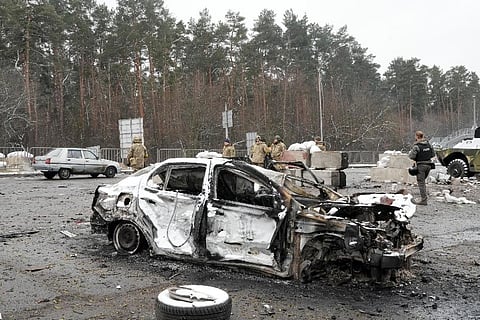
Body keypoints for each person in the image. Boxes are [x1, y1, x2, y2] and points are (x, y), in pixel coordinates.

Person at [408, 130, 435, 205]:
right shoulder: (429, 145)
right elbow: (433, 154)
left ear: (417, 137)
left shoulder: (417, 146)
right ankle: (424, 198)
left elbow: (411, 156)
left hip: (421, 166)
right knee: (423, 182)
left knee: (421, 183)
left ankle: (424, 200)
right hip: (429, 166)